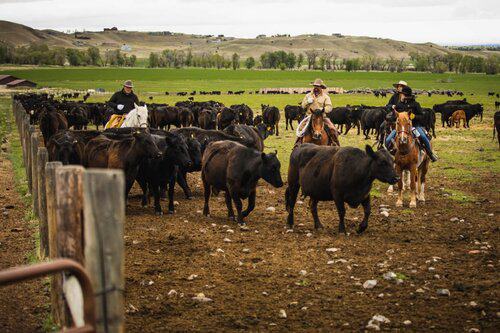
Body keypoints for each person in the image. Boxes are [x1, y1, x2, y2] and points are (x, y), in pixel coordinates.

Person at [385, 86, 438, 162]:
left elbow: (422, 116)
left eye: (402, 94)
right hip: (401, 128)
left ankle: (430, 154)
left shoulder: (416, 104)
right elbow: (395, 115)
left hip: (415, 126)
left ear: (406, 95)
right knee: (388, 140)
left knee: (423, 137)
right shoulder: (399, 104)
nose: (401, 95)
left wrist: (413, 116)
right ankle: (391, 154)